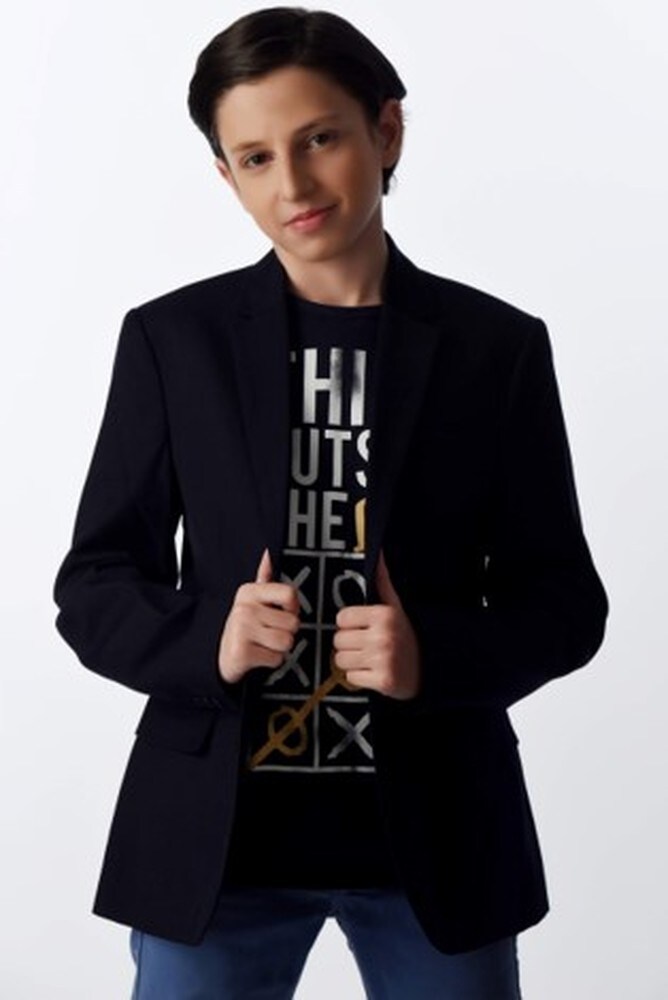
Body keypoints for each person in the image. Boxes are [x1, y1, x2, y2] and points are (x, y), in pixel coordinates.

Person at [53, 7, 608, 998]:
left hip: (437, 843)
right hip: (214, 852)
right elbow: (93, 584)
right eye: (256, 158)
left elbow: (564, 603)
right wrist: (209, 640)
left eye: (319, 139)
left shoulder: (495, 349)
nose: (294, 186)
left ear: (385, 130)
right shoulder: (173, 342)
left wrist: (430, 654)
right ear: (225, 176)